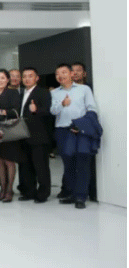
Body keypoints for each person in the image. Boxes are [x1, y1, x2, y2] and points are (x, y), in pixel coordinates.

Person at [50, 64, 98, 208]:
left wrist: (81, 125)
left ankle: (81, 197)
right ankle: (72, 193)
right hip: (62, 130)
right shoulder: (54, 92)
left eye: (64, 72)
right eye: (57, 73)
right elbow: (53, 111)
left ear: (71, 74)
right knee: (68, 164)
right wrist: (62, 104)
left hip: (79, 129)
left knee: (82, 163)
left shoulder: (84, 89)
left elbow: (91, 108)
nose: (60, 75)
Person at [0, 69, 23, 203]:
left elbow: (16, 111)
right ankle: (2, 189)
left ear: (7, 80)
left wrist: (0, 109)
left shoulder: (13, 92)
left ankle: (9, 190)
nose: (0, 80)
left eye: (2, 78)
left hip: (9, 129)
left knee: (9, 160)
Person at [19, 67, 52, 203]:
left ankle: (43, 193)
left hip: (39, 135)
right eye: (24, 76)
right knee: (26, 166)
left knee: (41, 166)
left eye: (30, 76)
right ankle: (29, 192)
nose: (27, 79)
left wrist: (36, 110)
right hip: (23, 134)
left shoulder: (43, 92)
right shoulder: (21, 93)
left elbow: (48, 111)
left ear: (37, 78)